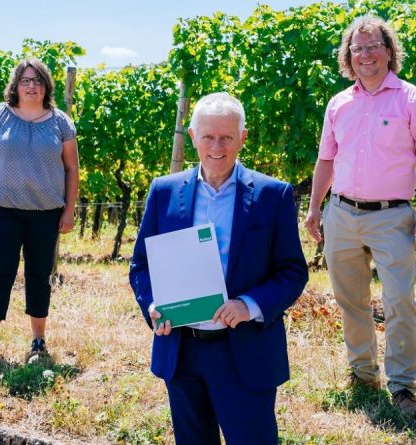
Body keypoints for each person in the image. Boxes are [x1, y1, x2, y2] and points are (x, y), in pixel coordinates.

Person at [130, 93, 308, 445]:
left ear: (242, 138)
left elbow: (292, 271)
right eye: (208, 136)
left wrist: (249, 305)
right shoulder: (164, 191)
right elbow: (141, 266)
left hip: (244, 350)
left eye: (226, 137)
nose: (217, 146)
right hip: (183, 352)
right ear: (193, 136)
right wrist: (152, 305)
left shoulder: (273, 195)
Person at [305, 15, 416, 413]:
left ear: (388, 52)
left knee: (400, 299)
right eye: (357, 48)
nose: (365, 54)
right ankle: (364, 374)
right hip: (342, 213)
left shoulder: (414, 100)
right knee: (351, 299)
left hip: (391, 216)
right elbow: (326, 159)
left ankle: (403, 386)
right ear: (349, 56)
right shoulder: (339, 103)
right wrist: (315, 206)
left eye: (373, 46)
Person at [0, 58, 79, 361]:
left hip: (46, 213)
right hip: (2, 212)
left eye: (38, 80)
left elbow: (72, 168)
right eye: (26, 80)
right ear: (15, 86)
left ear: (47, 86)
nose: (32, 86)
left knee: (39, 276)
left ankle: (38, 342)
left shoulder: (60, 122)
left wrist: (69, 209)